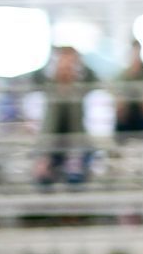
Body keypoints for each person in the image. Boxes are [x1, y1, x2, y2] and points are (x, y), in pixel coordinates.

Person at [32, 45, 96, 187]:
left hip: (76, 140)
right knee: (55, 104)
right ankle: (46, 159)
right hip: (53, 140)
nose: (67, 65)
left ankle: (68, 158)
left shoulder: (81, 85)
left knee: (71, 101)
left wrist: (77, 68)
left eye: (71, 61)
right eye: (64, 60)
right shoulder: (49, 85)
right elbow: (36, 77)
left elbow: (93, 77)